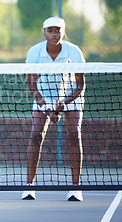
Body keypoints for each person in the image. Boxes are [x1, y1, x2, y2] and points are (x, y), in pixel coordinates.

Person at [22, 16, 86, 202]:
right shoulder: (34, 52)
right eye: (50, 30)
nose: (54, 34)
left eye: (58, 30)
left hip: (70, 97)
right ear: (44, 32)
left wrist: (63, 103)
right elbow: (32, 85)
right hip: (43, 96)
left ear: (63, 32)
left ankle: (76, 188)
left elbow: (80, 85)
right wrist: (45, 105)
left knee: (74, 135)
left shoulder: (74, 51)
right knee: (36, 135)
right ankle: (29, 187)